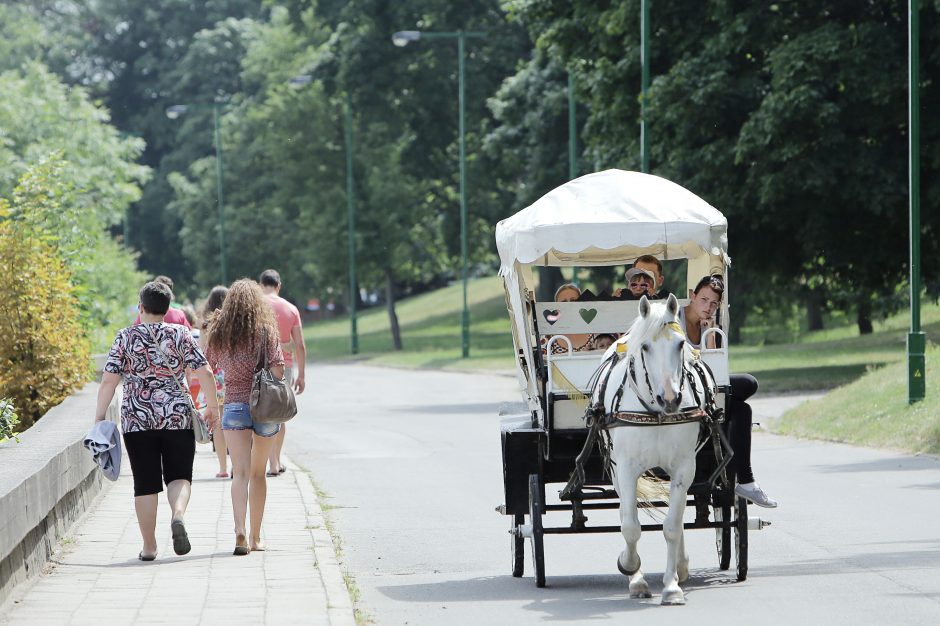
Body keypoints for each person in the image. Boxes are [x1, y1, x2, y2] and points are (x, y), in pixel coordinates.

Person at [94, 281, 220, 561]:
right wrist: (212, 407)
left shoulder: (125, 337)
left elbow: (108, 381)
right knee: (179, 476)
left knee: (145, 482)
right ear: (167, 308)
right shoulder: (181, 334)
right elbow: (205, 372)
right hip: (177, 416)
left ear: (141, 307)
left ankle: (149, 547)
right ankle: (177, 516)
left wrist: (99, 418)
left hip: (137, 420)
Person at [679, 275, 777, 508]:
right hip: (681, 390)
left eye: (713, 303)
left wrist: (709, 332)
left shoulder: (710, 324)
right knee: (745, 393)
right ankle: (746, 480)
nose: (707, 307)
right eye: (703, 300)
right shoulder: (675, 318)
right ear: (692, 296)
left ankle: (745, 480)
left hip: (705, 388)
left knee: (744, 401)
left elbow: (713, 370)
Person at [205, 279, 285, 554]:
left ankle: (238, 531)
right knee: (258, 474)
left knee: (238, 473)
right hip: (263, 408)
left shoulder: (220, 334)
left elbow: (207, 366)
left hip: (234, 406)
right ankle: (256, 537)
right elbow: (278, 371)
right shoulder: (266, 332)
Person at [258, 269, 306, 477]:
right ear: (279, 286)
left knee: (262, 414)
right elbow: (300, 345)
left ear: (261, 285)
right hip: (284, 367)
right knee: (279, 414)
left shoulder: (257, 306)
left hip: (260, 366)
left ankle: (269, 461)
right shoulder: (291, 309)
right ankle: (276, 461)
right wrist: (301, 374)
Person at [199, 285, 229, 478]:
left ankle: (223, 468)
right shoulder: (233, 323)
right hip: (232, 374)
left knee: (218, 422)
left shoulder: (205, 326)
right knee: (236, 424)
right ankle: (238, 465)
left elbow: (203, 353)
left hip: (214, 376)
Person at [542, 283, 593, 354]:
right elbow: (543, 361)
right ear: (556, 307)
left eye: (573, 300)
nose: (569, 304)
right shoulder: (549, 335)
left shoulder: (594, 331)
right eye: (564, 302)